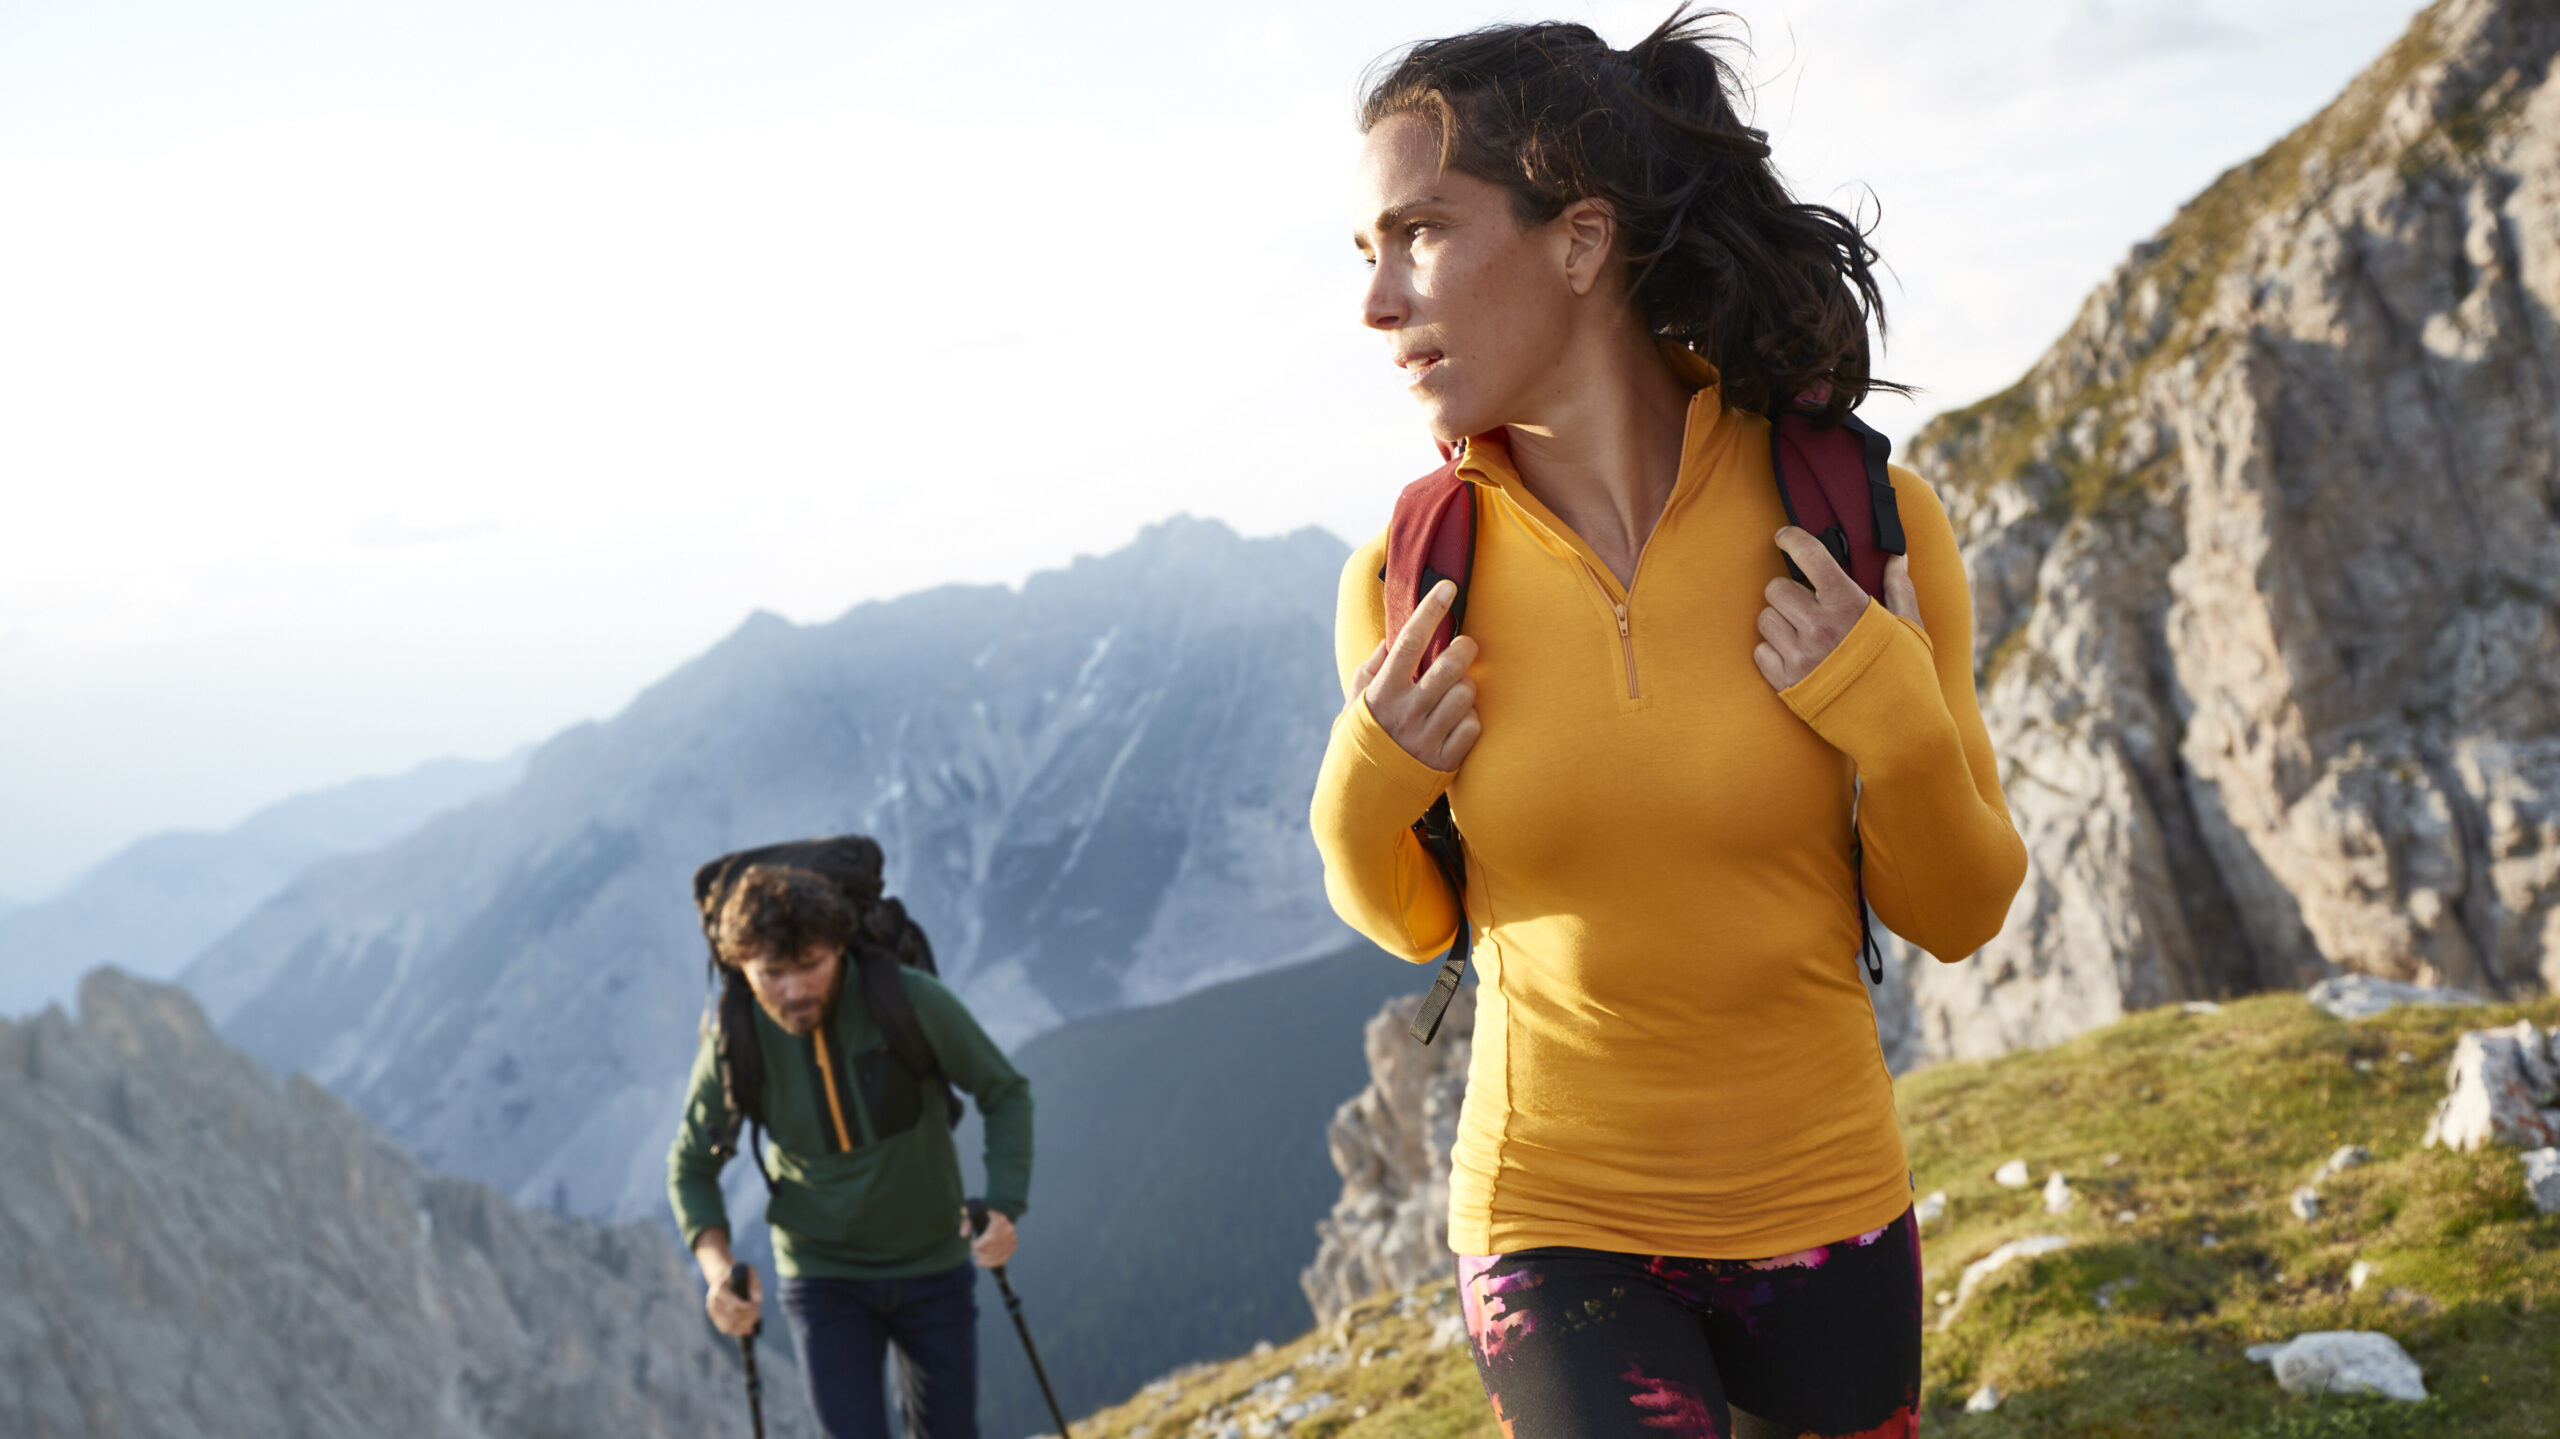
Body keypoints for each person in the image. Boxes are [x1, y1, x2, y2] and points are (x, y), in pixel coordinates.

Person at [1312, 10, 2028, 1437]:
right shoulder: (1409, 576)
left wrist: (1886, 709)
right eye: (1366, 252)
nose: (1379, 302)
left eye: (1422, 235)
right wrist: (1366, 775)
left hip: (1826, 1198)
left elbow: (1958, 907)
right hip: (1550, 1211)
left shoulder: (1858, 528)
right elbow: (1403, 914)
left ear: (1580, 242)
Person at [668, 864, 1033, 1439]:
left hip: (932, 1261)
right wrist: (717, 1273)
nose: (793, 990)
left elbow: (1004, 1092)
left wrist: (1006, 1203)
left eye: (810, 965)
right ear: (742, 966)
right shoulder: (735, 1041)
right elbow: (691, 1167)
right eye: (772, 973)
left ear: (840, 947)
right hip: (822, 1278)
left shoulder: (909, 1001)